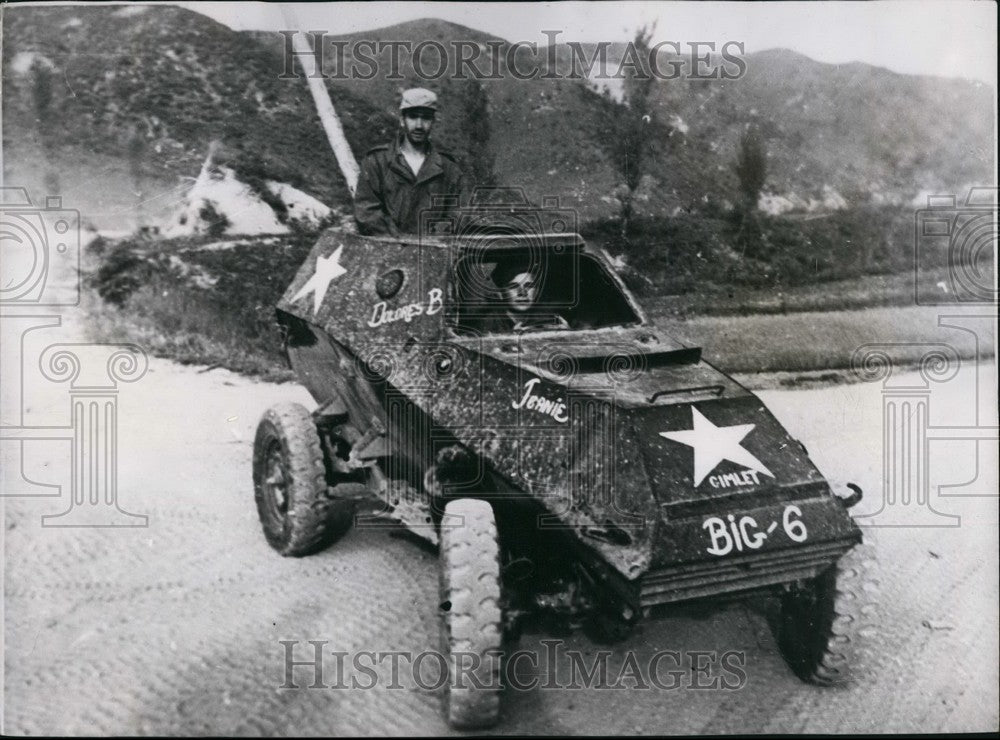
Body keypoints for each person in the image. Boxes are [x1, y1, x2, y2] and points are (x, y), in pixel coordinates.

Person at [353, 88, 468, 236]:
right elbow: (367, 212)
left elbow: (459, 215)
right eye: (413, 117)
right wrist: (399, 241)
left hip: (432, 252)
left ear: (433, 122)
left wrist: (430, 238)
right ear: (402, 120)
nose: (419, 125)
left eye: (426, 118)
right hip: (386, 250)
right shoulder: (377, 162)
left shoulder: (449, 168)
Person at [477, 262, 570, 334]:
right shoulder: (489, 322)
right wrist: (512, 338)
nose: (522, 292)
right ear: (501, 293)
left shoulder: (550, 318)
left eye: (529, 286)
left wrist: (566, 336)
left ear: (537, 291)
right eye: (513, 286)